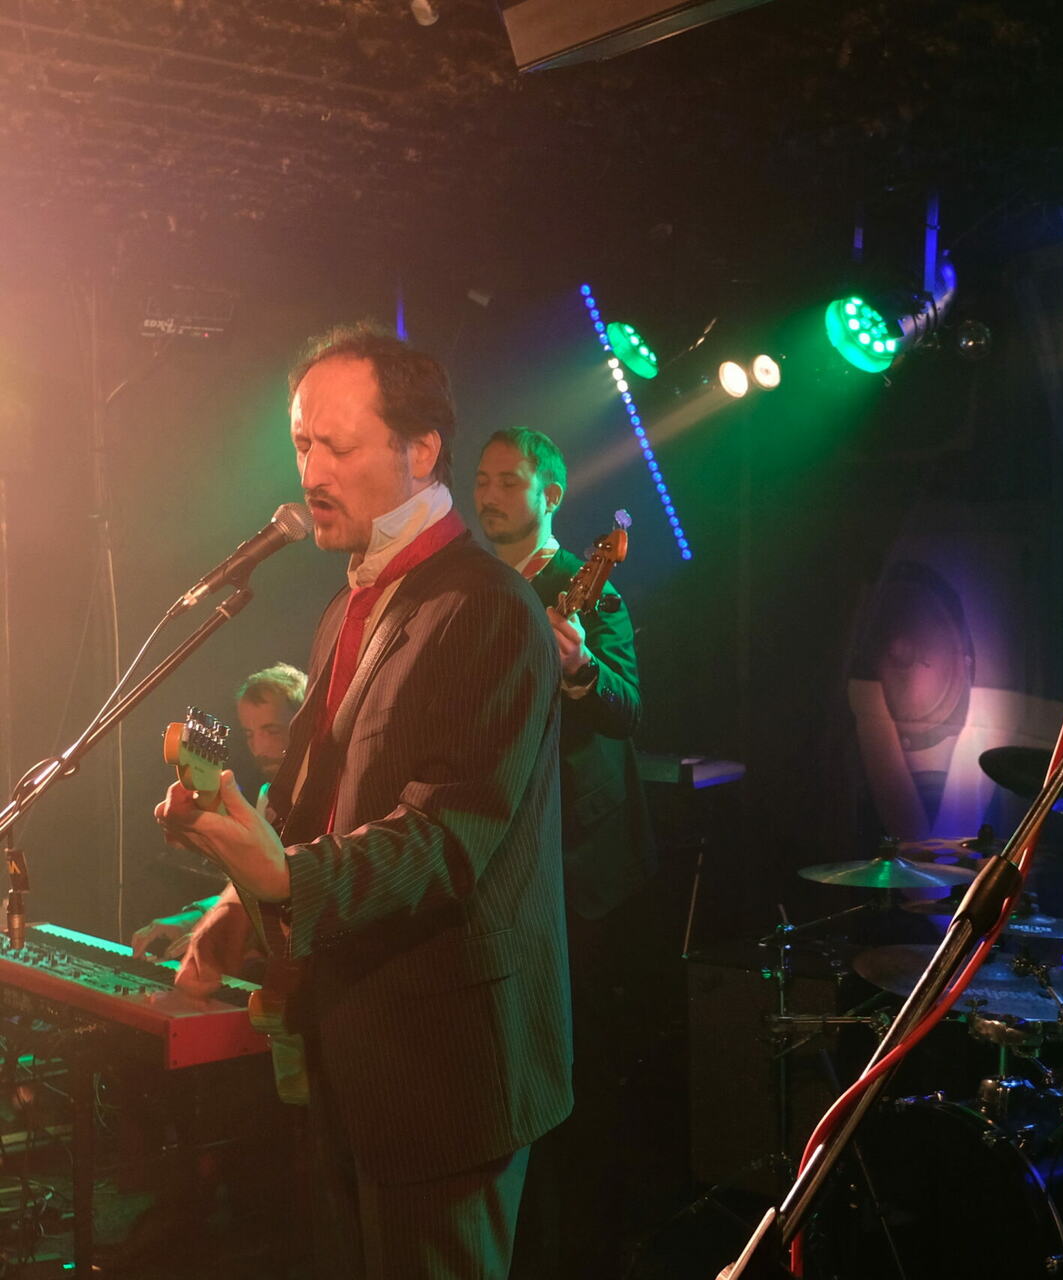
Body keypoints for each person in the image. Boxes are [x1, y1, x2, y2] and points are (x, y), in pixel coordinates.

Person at [153, 323, 570, 1279]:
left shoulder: (487, 606)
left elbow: (445, 839)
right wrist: (233, 899)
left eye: (337, 446)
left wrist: (282, 877)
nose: (311, 472)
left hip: (444, 1065)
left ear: (421, 449)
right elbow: (313, 803)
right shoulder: (352, 605)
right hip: (348, 1046)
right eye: (303, 444)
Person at [473, 426, 663, 1275]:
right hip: (497, 855)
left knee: (577, 1073)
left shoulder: (586, 592)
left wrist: (581, 668)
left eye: (507, 481)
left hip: (577, 868)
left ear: (550, 494)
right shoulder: (477, 587)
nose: (489, 495)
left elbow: (627, 708)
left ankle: (584, 1250)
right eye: (482, 480)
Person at [133, 662, 308, 963]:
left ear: (301, 725)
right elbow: (250, 887)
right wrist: (193, 918)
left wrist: (217, 931)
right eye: (249, 734)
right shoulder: (267, 796)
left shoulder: (326, 797)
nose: (259, 749)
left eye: (272, 731)